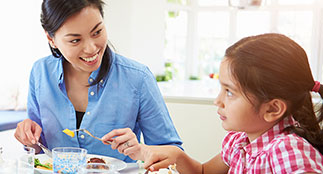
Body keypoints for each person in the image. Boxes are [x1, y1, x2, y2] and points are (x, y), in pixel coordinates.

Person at [126, 33, 323, 173]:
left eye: (229, 92)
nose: (218, 101)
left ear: (272, 108)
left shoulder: (287, 150)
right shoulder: (239, 142)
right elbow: (203, 172)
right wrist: (177, 156)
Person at [14, 0, 182, 162]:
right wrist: (29, 137)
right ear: (51, 39)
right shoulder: (40, 73)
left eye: (97, 32)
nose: (91, 48)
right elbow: (39, 150)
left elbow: (173, 154)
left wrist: (141, 151)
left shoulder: (138, 78)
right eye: (75, 40)